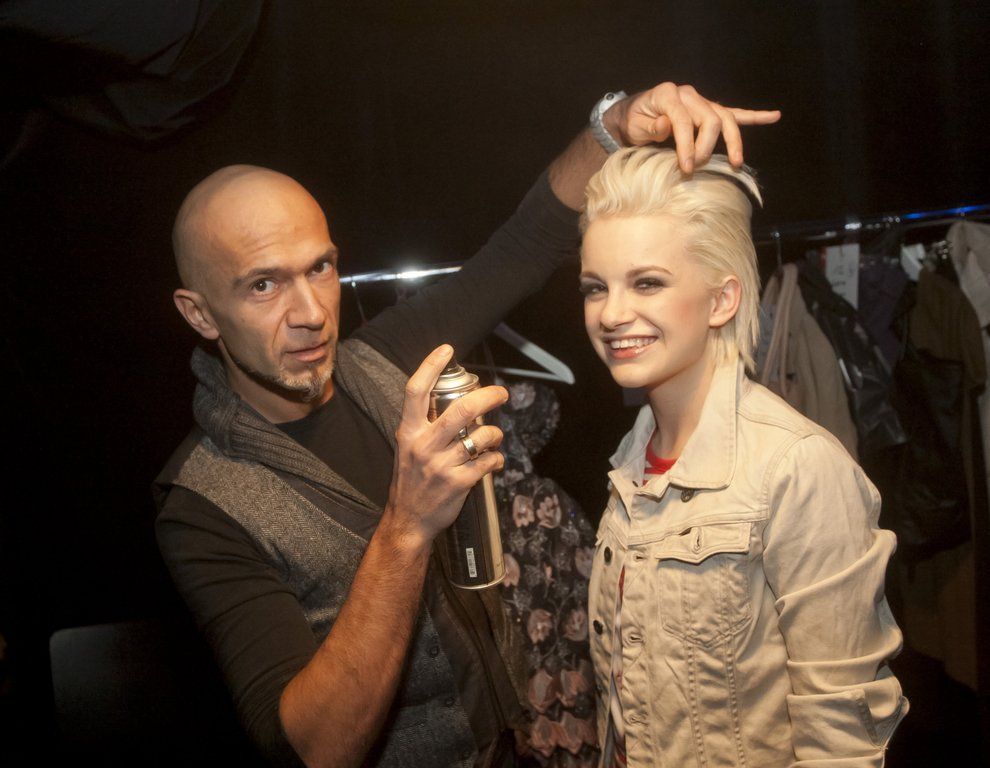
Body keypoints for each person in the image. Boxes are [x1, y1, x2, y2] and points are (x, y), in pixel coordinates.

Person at [154, 85, 780, 768]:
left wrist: (616, 125)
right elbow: (316, 749)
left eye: (321, 268)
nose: (310, 313)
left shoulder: (381, 359)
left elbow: (524, 246)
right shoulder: (202, 505)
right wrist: (406, 526)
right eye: (263, 285)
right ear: (200, 313)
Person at [579, 146, 908, 767]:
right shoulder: (631, 462)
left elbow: (842, 739)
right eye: (596, 287)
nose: (612, 313)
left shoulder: (797, 469)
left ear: (722, 300)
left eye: (647, 282)